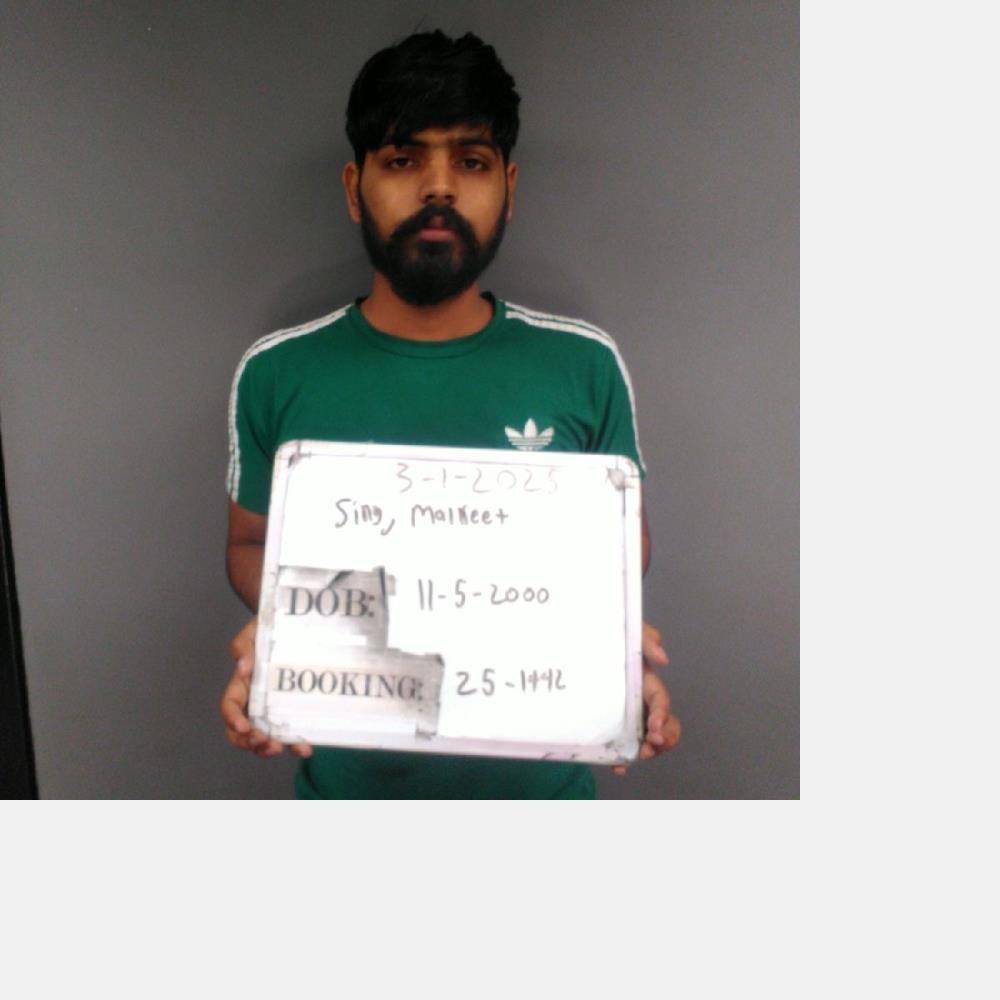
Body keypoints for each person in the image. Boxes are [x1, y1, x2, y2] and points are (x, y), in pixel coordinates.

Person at [220, 30, 681, 798]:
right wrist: (287, 635)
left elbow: (620, 546)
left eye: (470, 161)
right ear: (354, 187)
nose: (438, 188)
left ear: (509, 186)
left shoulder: (583, 364)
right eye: (403, 160)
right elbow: (249, 543)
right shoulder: (277, 372)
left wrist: (607, 649)